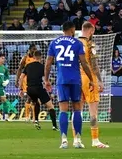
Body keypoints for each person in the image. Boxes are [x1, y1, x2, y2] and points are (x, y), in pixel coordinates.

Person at [45, 21, 91, 149]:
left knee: (63, 109)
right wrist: (91, 79)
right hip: (75, 79)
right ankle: (77, 140)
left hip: (62, 80)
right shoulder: (77, 43)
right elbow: (84, 63)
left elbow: (48, 63)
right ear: (72, 30)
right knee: (77, 108)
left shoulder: (54, 43)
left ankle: (64, 140)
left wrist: (47, 80)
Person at [79, 22, 110, 148]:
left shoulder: (74, 43)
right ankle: (95, 140)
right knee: (93, 112)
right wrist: (100, 80)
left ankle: (77, 140)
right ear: (91, 31)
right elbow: (94, 64)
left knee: (77, 111)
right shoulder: (90, 44)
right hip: (89, 78)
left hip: (75, 78)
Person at [19, 49, 57, 131]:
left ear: (33, 57)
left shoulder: (28, 66)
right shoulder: (42, 67)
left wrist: (21, 89)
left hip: (29, 89)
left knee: (36, 102)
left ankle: (36, 120)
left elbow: (21, 77)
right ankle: (54, 126)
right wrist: (49, 87)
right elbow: (45, 79)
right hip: (38, 88)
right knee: (50, 106)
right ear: (41, 57)